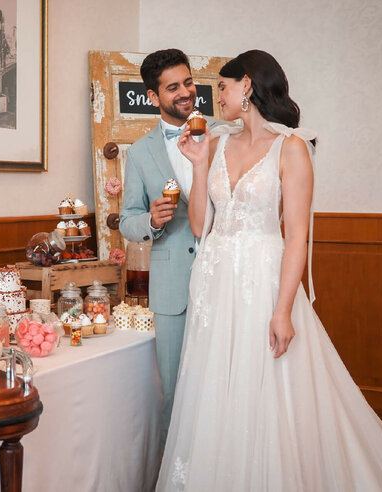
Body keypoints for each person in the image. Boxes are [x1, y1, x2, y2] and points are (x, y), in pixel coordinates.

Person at [156, 50, 382, 491]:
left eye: (222, 86)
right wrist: (199, 163)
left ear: (246, 86)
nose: (216, 96)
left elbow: (297, 235)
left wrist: (283, 310)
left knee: (264, 385)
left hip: (261, 279)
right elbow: (198, 225)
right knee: (214, 388)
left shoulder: (292, 148)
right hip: (215, 279)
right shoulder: (217, 142)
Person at [119, 49, 222, 451]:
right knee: (175, 393)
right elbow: (128, 218)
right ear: (152, 96)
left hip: (224, 272)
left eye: (189, 82)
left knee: (224, 385)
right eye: (173, 87)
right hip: (171, 288)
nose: (186, 93)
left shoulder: (224, 134)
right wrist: (152, 220)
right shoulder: (140, 152)